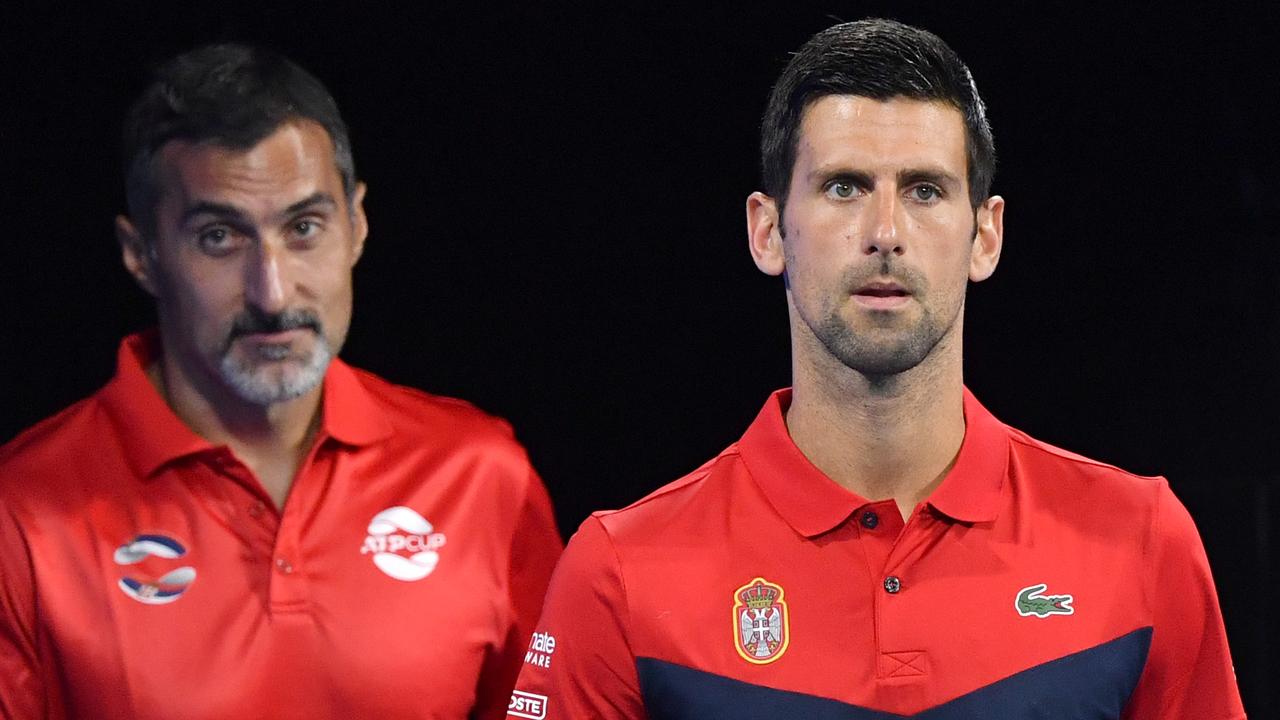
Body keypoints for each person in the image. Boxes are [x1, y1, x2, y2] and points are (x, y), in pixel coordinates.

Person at [511, 18, 1244, 719]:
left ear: (985, 235)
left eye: (924, 190)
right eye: (844, 187)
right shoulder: (620, 573)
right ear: (767, 231)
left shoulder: (1141, 543)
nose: (885, 233)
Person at [0, 44, 561, 719]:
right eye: (219, 238)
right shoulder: (19, 512)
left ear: (355, 227)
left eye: (303, 228)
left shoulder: (481, 477)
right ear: (140, 254)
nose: (271, 291)